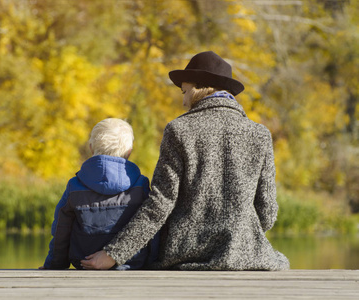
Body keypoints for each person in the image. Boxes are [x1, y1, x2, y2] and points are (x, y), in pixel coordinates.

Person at [81, 51, 290, 271]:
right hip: (246, 256)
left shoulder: (179, 130)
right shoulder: (260, 134)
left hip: (188, 256)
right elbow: (267, 214)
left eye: (185, 91)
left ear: (201, 87)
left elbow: (160, 203)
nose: (183, 101)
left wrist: (113, 254)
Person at [40, 118, 158, 270]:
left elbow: (61, 230)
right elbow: (152, 227)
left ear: (90, 148)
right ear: (129, 152)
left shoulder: (75, 186)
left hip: (85, 264)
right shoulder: (140, 185)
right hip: (131, 264)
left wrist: (55, 265)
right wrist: (153, 262)